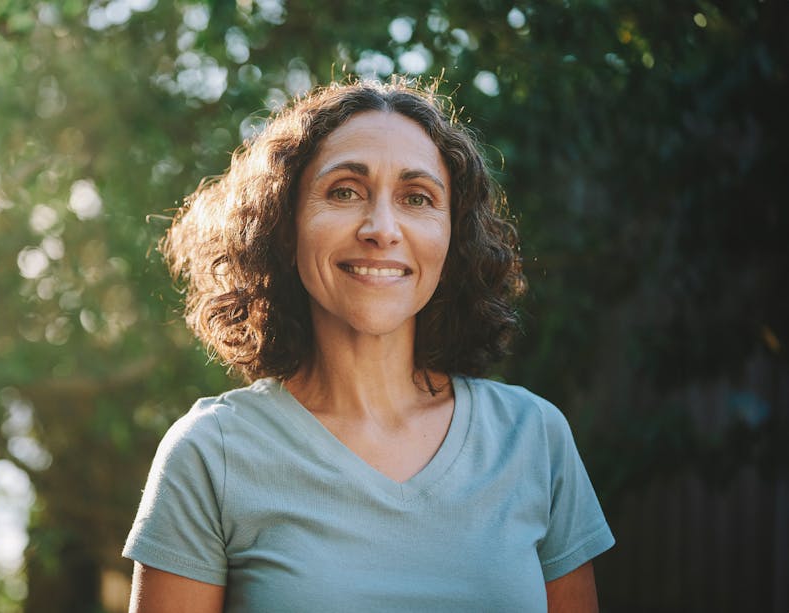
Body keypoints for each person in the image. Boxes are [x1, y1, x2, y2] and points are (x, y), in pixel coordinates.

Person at [123, 77, 614, 612]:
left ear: (452, 240)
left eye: (417, 198)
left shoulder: (534, 439)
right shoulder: (210, 452)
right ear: (285, 228)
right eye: (345, 191)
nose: (382, 228)